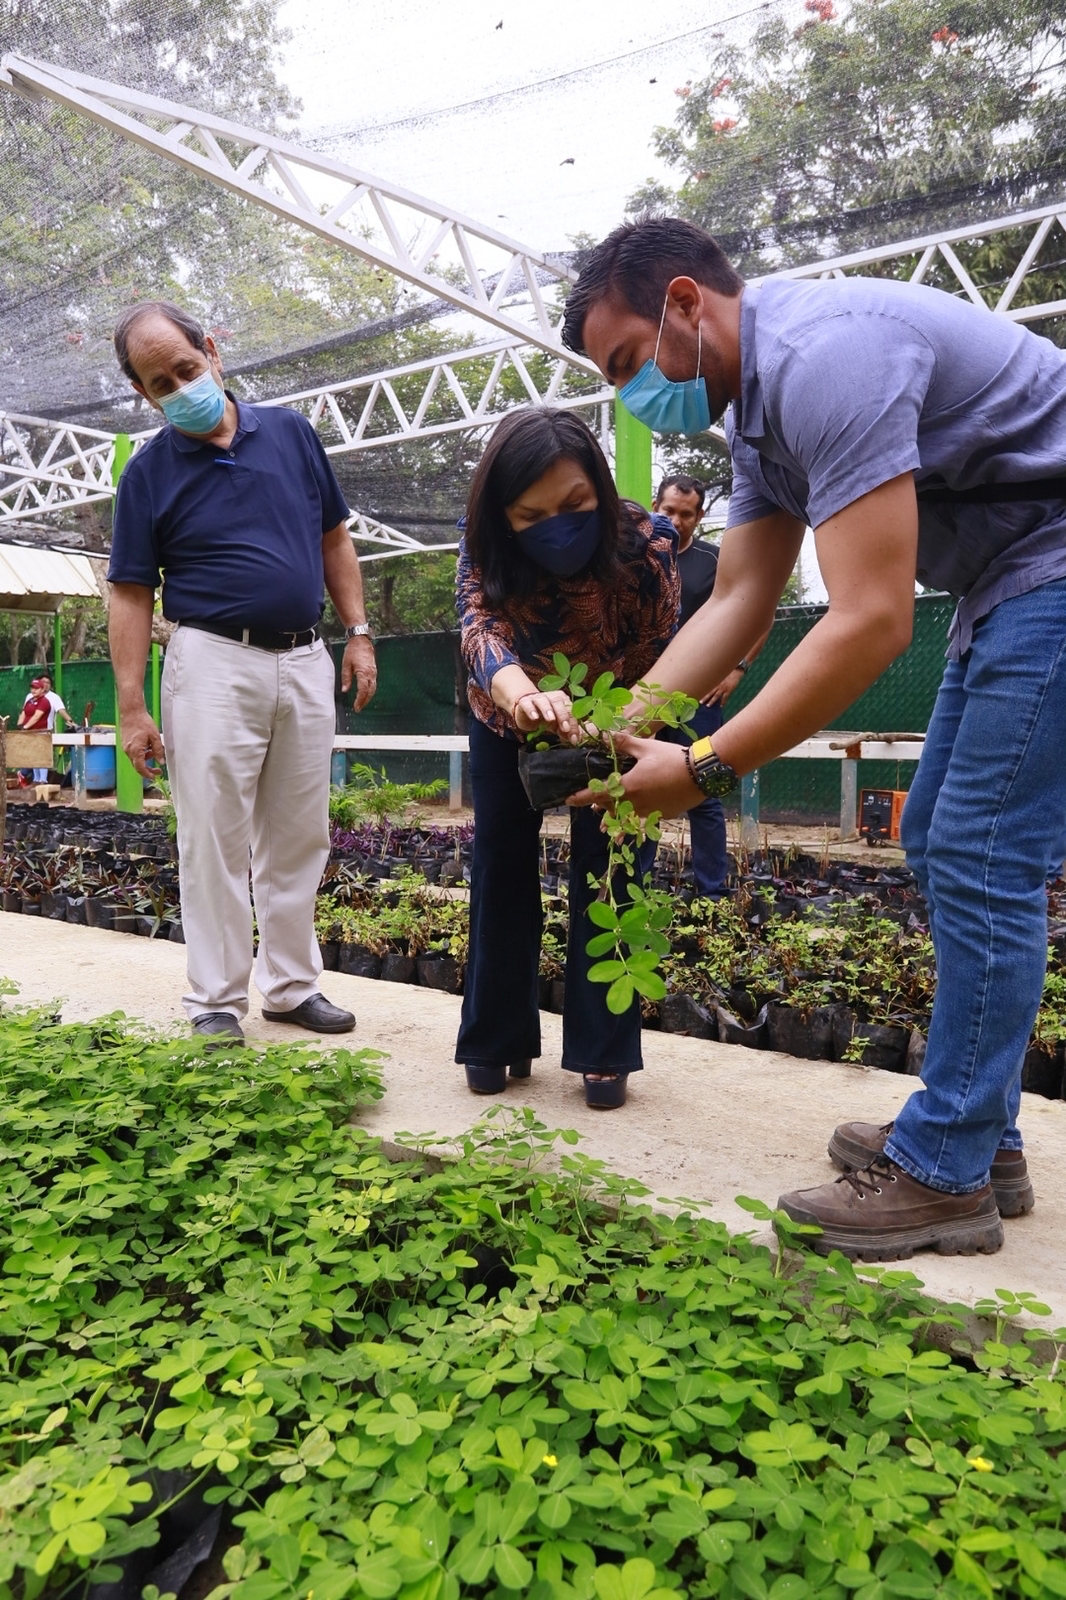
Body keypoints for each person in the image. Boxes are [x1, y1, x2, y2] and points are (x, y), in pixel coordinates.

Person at [561, 214, 1066, 1259]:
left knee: (980, 848)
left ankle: (945, 1173)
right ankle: (980, 1133)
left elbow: (871, 617)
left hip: (1052, 567)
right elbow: (740, 598)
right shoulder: (757, 419)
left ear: (686, 303)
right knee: (942, 838)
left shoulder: (828, 352)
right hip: (1009, 578)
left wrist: (701, 766)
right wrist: (617, 724)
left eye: (626, 361)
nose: (630, 395)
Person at [107, 299, 377, 1046]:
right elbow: (130, 592)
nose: (179, 387)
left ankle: (291, 988)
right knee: (213, 835)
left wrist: (359, 634)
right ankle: (216, 1002)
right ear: (144, 394)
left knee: (299, 834)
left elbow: (333, 539)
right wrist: (132, 705)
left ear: (214, 351)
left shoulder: (290, 434)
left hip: (305, 654)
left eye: (187, 368)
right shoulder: (149, 472)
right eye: (160, 383)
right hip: (211, 660)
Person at [456, 406, 679, 1109]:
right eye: (532, 514)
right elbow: (478, 625)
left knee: (612, 869)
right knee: (502, 867)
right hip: (508, 716)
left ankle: (604, 1051)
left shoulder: (648, 544)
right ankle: (495, 1037)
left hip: (618, 719)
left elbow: (662, 648)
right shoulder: (485, 544)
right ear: (504, 513)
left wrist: (617, 724)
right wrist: (522, 696)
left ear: (601, 489)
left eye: (577, 504)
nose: (558, 524)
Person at [652, 474, 769, 897]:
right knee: (636, 788)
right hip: (644, 695)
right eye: (669, 511)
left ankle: (712, 893)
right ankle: (633, 888)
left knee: (702, 786)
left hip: (698, 698)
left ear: (699, 517)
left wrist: (736, 668)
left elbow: (760, 612)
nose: (677, 520)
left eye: (687, 514)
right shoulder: (639, 557)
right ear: (655, 506)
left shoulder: (715, 561)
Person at [17, 678, 52, 783]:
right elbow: (24, 712)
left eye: (36, 688)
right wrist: (20, 725)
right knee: (33, 755)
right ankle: (36, 779)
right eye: (32, 688)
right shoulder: (30, 700)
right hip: (30, 733)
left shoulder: (44, 701)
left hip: (40, 732)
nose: (33, 690)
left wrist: (25, 727)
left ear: (42, 689)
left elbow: (37, 716)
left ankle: (43, 779)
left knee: (41, 755)